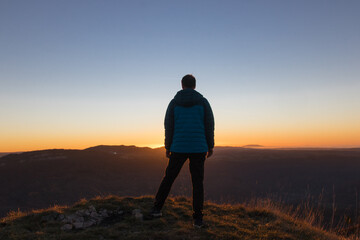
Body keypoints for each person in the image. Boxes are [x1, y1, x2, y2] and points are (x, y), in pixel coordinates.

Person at [151, 74, 215, 228]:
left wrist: (168, 147)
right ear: (194, 85)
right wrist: (210, 146)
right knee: (197, 183)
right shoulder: (203, 102)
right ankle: (198, 220)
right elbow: (209, 124)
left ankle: (156, 209)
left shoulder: (174, 103)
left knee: (169, 177)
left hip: (178, 147)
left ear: (182, 85)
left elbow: (169, 126)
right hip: (198, 147)